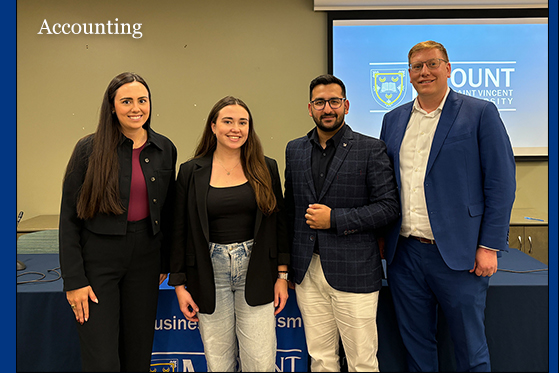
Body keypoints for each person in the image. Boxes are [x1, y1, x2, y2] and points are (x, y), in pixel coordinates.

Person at [379, 40, 515, 372]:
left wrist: (488, 245)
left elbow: (501, 182)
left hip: (460, 254)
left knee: (470, 348)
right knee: (417, 348)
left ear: (448, 68)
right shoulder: (393, 120)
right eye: (416, 67)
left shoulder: (480, 112)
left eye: (432, 64)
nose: (424, 72)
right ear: (408, 74)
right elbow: (385, 183)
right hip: (405, 254)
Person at [59, 72, 177, 371]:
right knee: (103, 360)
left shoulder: (164, 149)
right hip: (98, 260)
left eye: (142, 100)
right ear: (112, 106)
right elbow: (69, 218)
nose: (136, 108)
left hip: (146, 261)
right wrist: (74, 281)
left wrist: (166, 263)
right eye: (126, 101)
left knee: (138, 354)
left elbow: (169, 212)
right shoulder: (88, 150)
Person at [285, 74, 400, 372]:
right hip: (307, 271)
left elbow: (388, 208)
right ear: (309, 108)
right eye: (320, 102)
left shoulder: (370, 149)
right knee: (321, 358)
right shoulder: (294, 150)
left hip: (355, 271)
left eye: (334, 101)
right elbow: (290, 210)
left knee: (362, 360)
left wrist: (335, 219)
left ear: (346, 105)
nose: (327, 108)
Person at [169, 96, 291, 371]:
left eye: (242, 122)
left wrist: (282, 276)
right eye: (227, 121)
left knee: (260, 363)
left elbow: (279, 224)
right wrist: (178, 285)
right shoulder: (190, 172)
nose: (235, 128)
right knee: (219, 363)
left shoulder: (266, 167)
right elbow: (179, 230)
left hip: (257, 269)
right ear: (213, 126)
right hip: (208, 273)